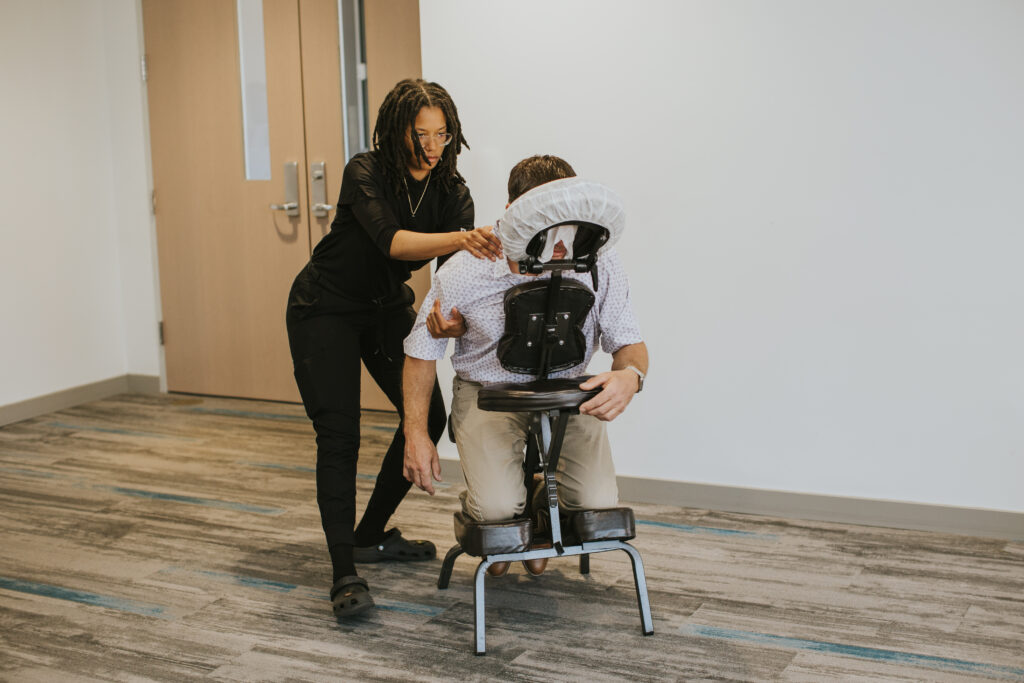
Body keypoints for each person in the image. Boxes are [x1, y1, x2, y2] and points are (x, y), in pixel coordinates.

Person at [285, 79, 502, 619]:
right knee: (340, 434)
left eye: (442, 134)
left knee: (425, 416)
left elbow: (453, 275)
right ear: (397, 131)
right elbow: (393, 241)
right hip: (324, 308)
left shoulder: (452, 190)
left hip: (384, 307)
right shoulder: (365, 172)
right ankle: (343, 572)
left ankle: (369, 534)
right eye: (421, 134)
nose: (433, 146)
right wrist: (460, 238)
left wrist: (446, 317)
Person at [401, 155, 649, 577]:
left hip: (568, 390)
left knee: (597, 506)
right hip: (489, 393)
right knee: (497, 514)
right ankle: (502, 502)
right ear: (512, 213)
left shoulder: (599, 261)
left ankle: (537, 497)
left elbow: (630, 344)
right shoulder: (466, 269)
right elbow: (421, 352)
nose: (558, 239)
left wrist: (631, 376)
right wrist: (415, 435)